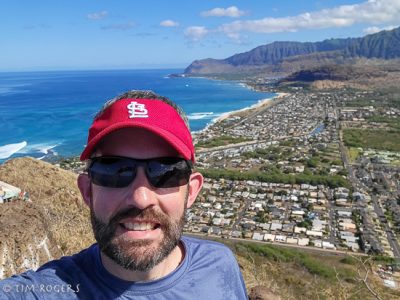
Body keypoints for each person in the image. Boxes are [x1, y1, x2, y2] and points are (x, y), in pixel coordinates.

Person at [0, 90, 248, 299]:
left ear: (191, 191)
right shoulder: (52, 290)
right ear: (87, 191)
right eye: (114, 170)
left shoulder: (220, 265)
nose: (141, 198)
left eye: (165, 172)